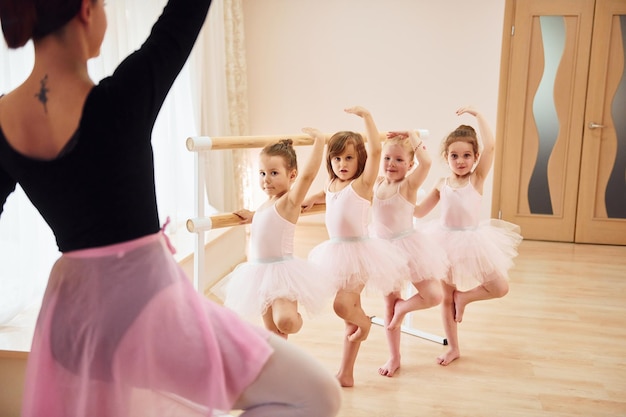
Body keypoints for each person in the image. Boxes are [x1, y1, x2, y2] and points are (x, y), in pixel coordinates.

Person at [0, 1, 341, 416]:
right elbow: (182, 15)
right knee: (316, 393)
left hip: (72, 318)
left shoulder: (4, 121)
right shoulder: (123, 96)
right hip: (142, 304)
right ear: (86, 10)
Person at [302, 106, 407, 387]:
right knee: (348, 311)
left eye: (349, 157)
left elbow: (375, 151)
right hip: (334, 253)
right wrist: (312, 199)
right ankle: (345, 373)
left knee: (343, 305)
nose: (342, 163)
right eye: (336, 158)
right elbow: (330, 196)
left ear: (359, 159)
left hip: (359, 253)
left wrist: (367, 118)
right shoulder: (333, 183)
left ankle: (365, 323)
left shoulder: (363, 183)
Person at [413, 106, 522, 366]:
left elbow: (492, 146)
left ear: (475, 158)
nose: (460, 161)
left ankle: (465, 297)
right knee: (445, 298)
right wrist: (395, 196)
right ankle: (453, 348)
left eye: (466, 156)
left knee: (500, 287)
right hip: (443, 241)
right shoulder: (441, 184)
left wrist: (478, 115)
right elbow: (418, 211)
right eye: (454, 155)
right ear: (446, 157)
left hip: (472, 242)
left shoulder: (477, 179)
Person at [222, 132, 333, 339]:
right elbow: (269, 220)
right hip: (258, 273)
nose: (266, 180)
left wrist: (320, 141)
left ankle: (295, 321)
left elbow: (308, 176)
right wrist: (253, 216)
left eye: (274, 173)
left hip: (282, 272)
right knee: (273, 333)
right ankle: (279, 366)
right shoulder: (265, 204)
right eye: (262, 173)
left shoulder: (289, 201)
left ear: (292, 175)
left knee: (285, 321)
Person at [371, 130, 447, 377]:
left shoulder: (409, 184)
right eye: (387, 159)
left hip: (408, 247)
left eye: (399, 160)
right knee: (388, 304)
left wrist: (412, 135)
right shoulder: (378, 183)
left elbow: (428, 162)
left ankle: (403, 309)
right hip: (383, 250)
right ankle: (394, 357)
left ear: (410, 165)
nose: (391, 164)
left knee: (434, 295)